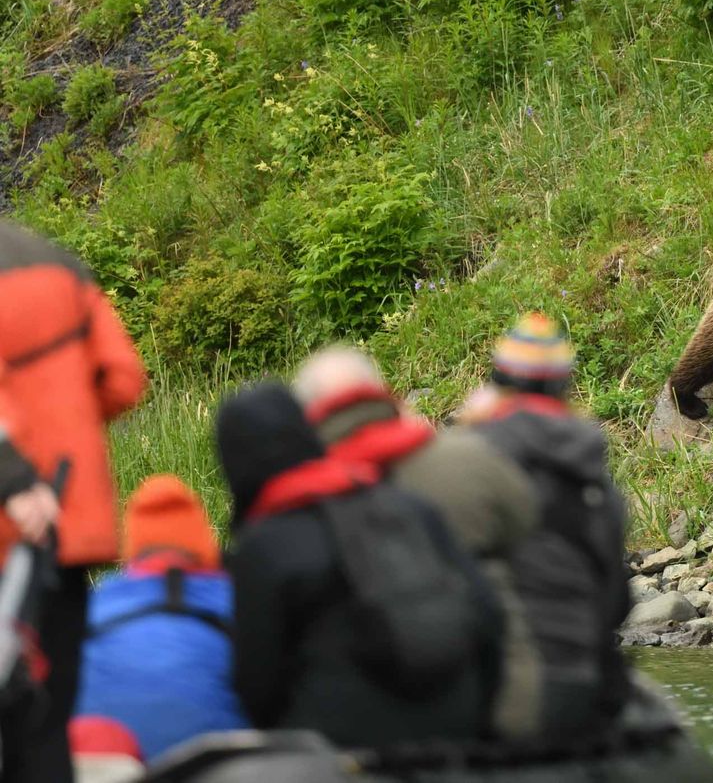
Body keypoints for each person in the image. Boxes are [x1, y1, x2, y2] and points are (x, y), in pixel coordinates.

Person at [216, 381, 503, 750]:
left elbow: (256, 687)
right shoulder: (409, 506)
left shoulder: (265, 547)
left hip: (342, 745)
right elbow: (488, 614)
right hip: (457, 723)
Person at [291, 346, 542, 741]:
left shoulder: (296, 503)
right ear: (383, 393)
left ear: (306, 414)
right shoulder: (471, 458)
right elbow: (533, 534)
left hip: (365, 730)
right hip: (504, 709)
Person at [0, 219, 146, 783]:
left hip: (13, 530)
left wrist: (14, 478)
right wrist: (63, 428)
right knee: (47, 723)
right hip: (67, 529)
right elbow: (123, 379)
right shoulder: (57, 262)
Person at [466, 313, 633, 747]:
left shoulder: (469, 459)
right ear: (564, 386)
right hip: (582, 683)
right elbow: (616, 600)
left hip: (497, 690)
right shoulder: (595, 477)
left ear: (495, 382)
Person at [72, 475, 247, 763]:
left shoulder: (98, 600)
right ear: (204, 542)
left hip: (108, 763)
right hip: (213, 765)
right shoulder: (231, 597)